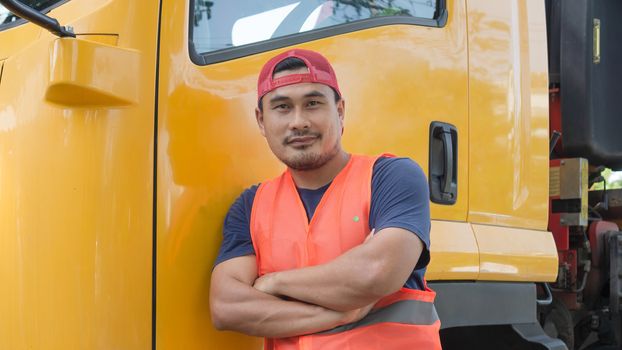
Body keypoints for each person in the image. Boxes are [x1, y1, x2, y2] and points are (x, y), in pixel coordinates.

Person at [209, 48, 441, 349]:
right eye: (281, 107)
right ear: (261, 121)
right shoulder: (251, 206)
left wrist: (273, 283)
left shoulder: (390, 177)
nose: (298, 121)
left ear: (340, 111)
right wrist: (340, 312)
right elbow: (226, 307)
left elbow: (376, 272)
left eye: (313, 103)